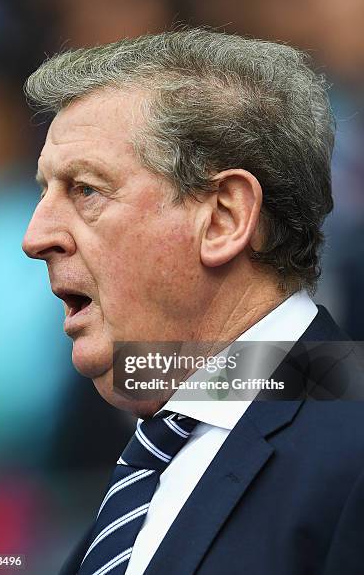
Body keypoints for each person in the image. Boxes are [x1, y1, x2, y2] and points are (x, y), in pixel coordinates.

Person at [22, 29, 364, 575]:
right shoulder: (151, 457)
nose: (35, 236)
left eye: (85, 189)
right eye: (44, 191)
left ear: (224, 218)